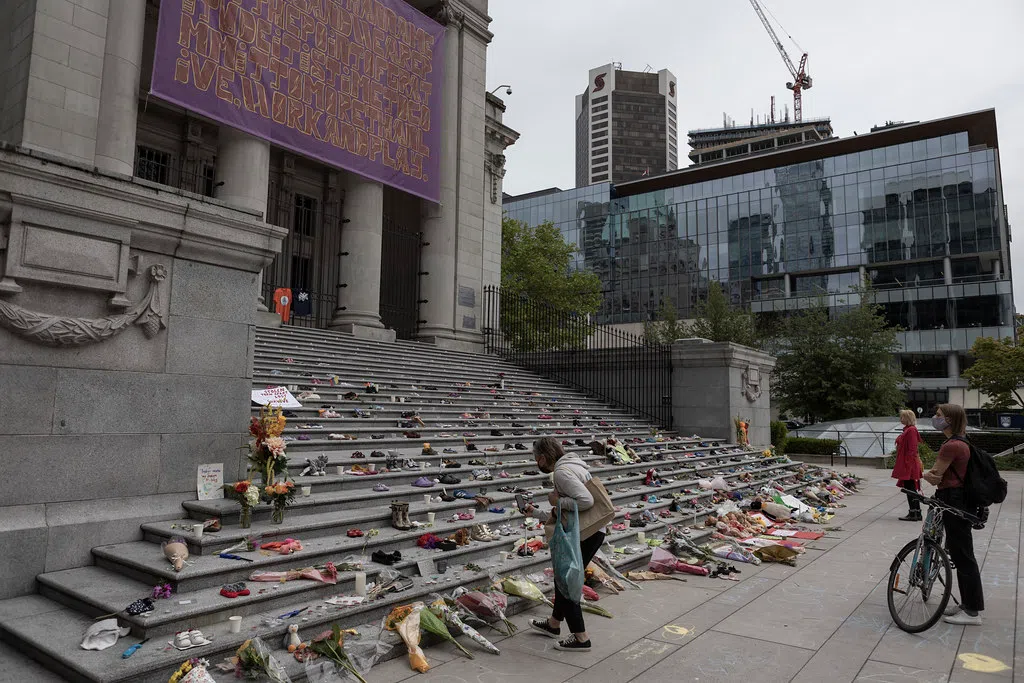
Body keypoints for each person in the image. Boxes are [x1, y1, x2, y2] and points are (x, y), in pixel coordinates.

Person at [525, 437, 605, 651]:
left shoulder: (561, 472)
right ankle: (553, 624)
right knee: (564, 578)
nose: (536, 463)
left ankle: (581, 638)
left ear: (542, 458)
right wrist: (538, 513)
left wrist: (557, 501)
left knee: (568, 582)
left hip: (586, 533)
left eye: (535, 458)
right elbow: (567, 510)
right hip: (592, 530)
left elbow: (585, 501)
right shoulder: (572, 465)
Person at [922, 403, 984, 625]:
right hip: (961, 501)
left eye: (938, 415)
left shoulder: (950, 446)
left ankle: (972, 612)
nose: (935, 418)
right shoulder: (963, 441)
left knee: (963, 555)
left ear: (949, 419)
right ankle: (967, 604)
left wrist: (921, 472)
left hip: (952, 500)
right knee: (961, 552)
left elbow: (936, 476)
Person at [892, 409, 923, 521]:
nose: (901, 419)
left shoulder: (911, 430)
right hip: (908, 463)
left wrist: (907, 466)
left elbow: (912, 449)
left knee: (911, 489)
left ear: (908, 418)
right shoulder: (909, 430)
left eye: (903, 417)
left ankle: (914, 513)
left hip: (909, 464)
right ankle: (915, 512)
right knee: (910, 488)